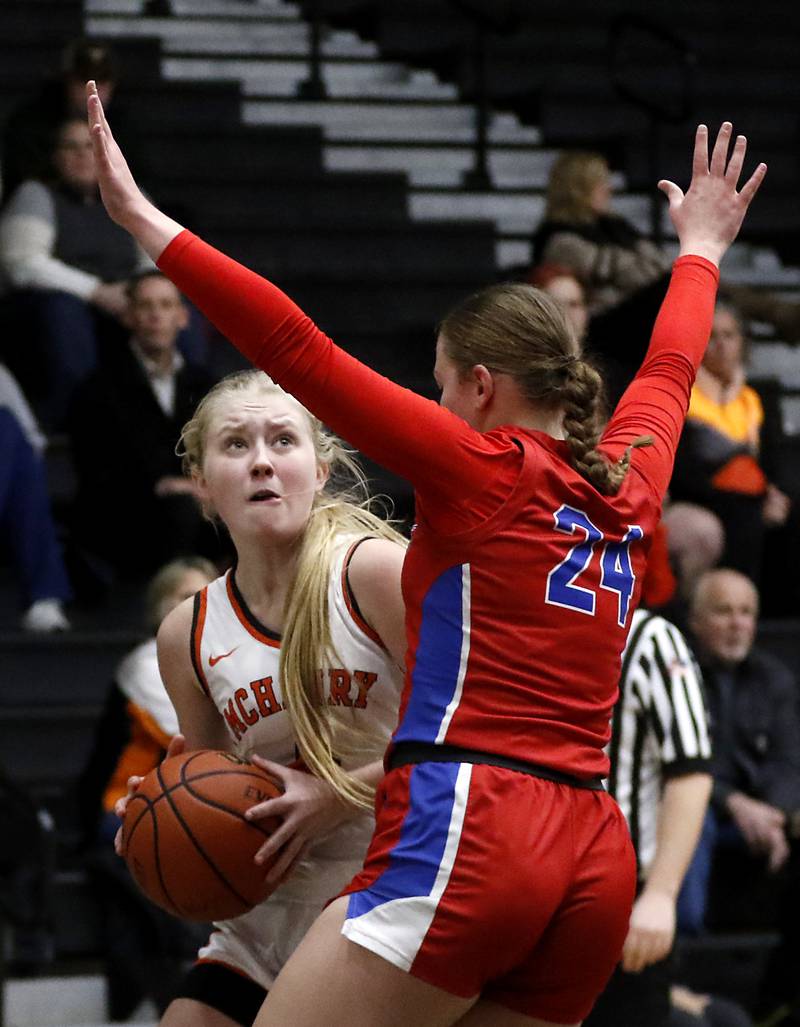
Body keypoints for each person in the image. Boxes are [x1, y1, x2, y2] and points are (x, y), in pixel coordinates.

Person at [90, 80, 765, 1026]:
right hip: (594, 846)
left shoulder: (481, 467)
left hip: (475, 821)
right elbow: (671, 365)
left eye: (442, 385)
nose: (437, 405)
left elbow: (298, 349)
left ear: (480, 387)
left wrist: (144, 221)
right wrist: (700, 252)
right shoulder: (629, 478)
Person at [114, 368, 408, 1027]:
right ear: (202, 484)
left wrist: (339, 793)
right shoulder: (185, 632)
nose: (262, 463)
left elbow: (479, 732)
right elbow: (214, 786)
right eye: (236, 445)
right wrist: (162, 808)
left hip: (390, 895)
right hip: (266, 912)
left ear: (321, 468)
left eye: (282, 440)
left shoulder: (375, 573)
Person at [79, 556, 217, 1020]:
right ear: (160, 607)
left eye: (205, 593)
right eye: (183, 596)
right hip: (127, 803)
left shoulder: (222, 659)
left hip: (188, 801)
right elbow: (201, 739)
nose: (196, 605)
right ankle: (185, 972)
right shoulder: (144, 663)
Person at [679, 568, 800, 1024]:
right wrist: (733, 802)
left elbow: (790, 759)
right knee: (690, 820)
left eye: (747, 613)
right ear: (694, 620)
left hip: (763, 816)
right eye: (724, 611)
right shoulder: (676, 673)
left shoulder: (774, 678)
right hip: (700, 808)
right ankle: (680, 966)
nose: (738, 624)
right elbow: (678, 762)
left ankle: (781, 993)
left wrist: (774, 813)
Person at [584, 607, 713, 1027]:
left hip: (621, 893)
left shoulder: (649, 637)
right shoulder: (521, 624)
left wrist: (660, 894)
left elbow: (691, 770)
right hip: (536, 888)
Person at [66, 270, 221, 581]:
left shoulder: (205, 384)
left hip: (199, 500)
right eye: (145, 306)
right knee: (183, 511)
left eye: (165, 306)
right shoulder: (98, 389)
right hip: (129, 512)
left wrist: (201, 487)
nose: (155, 316)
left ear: (182, 317)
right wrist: (164, 485)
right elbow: (97, 471)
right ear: (129, 316)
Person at [0, 114, 153, 425]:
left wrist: (138, 295)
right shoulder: (37, 195)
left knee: (173, 309)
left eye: (91, 146)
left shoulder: (128, 197)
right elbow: (23, 263)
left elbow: (155, 256)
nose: (84, 154)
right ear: (56, 157)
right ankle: (81, 418)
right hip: (51, 309)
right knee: (64, 312)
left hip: (123, 300)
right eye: (72, 147)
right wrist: (96, 293)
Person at [663, 301, 791, 593]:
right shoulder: (681, 396)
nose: (721, 345)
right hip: (700, 497)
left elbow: (772, 460)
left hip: (751, 496)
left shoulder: (756, 399)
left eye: (729, 335)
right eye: (712, 336)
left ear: (742, 342)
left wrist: (774, 495)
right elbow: (681, 470)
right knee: (744, 512)